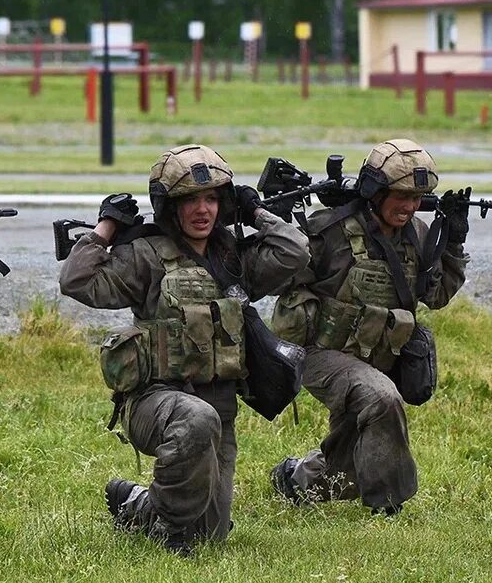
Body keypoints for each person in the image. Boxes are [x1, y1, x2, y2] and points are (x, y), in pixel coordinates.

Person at [59, 144, 309, 556]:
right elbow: (77, 280)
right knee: (196, 422)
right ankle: (169, 529)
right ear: (169, 208)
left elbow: (295, 251)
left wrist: (255, 212)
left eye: (212, 199)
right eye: (189, 200)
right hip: (155, 402)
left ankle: (139, 504)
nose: (202, 210)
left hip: (219, 412)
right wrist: (106, 227)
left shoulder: (234, 259)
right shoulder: (147, 255)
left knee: (211, 533)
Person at [268, 138, 469, 515]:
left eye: (417, 197)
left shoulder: (419, 236)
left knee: (349, 456)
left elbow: (437, 295)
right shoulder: (330, 231)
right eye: (400, 195)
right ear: (376, 191)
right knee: (381, 398)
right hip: (319, 353)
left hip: (377, 353)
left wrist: (454, 241)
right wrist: (279, 226)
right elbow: (277, 279)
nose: (409, 206)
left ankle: (296, 480)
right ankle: (388, 504)